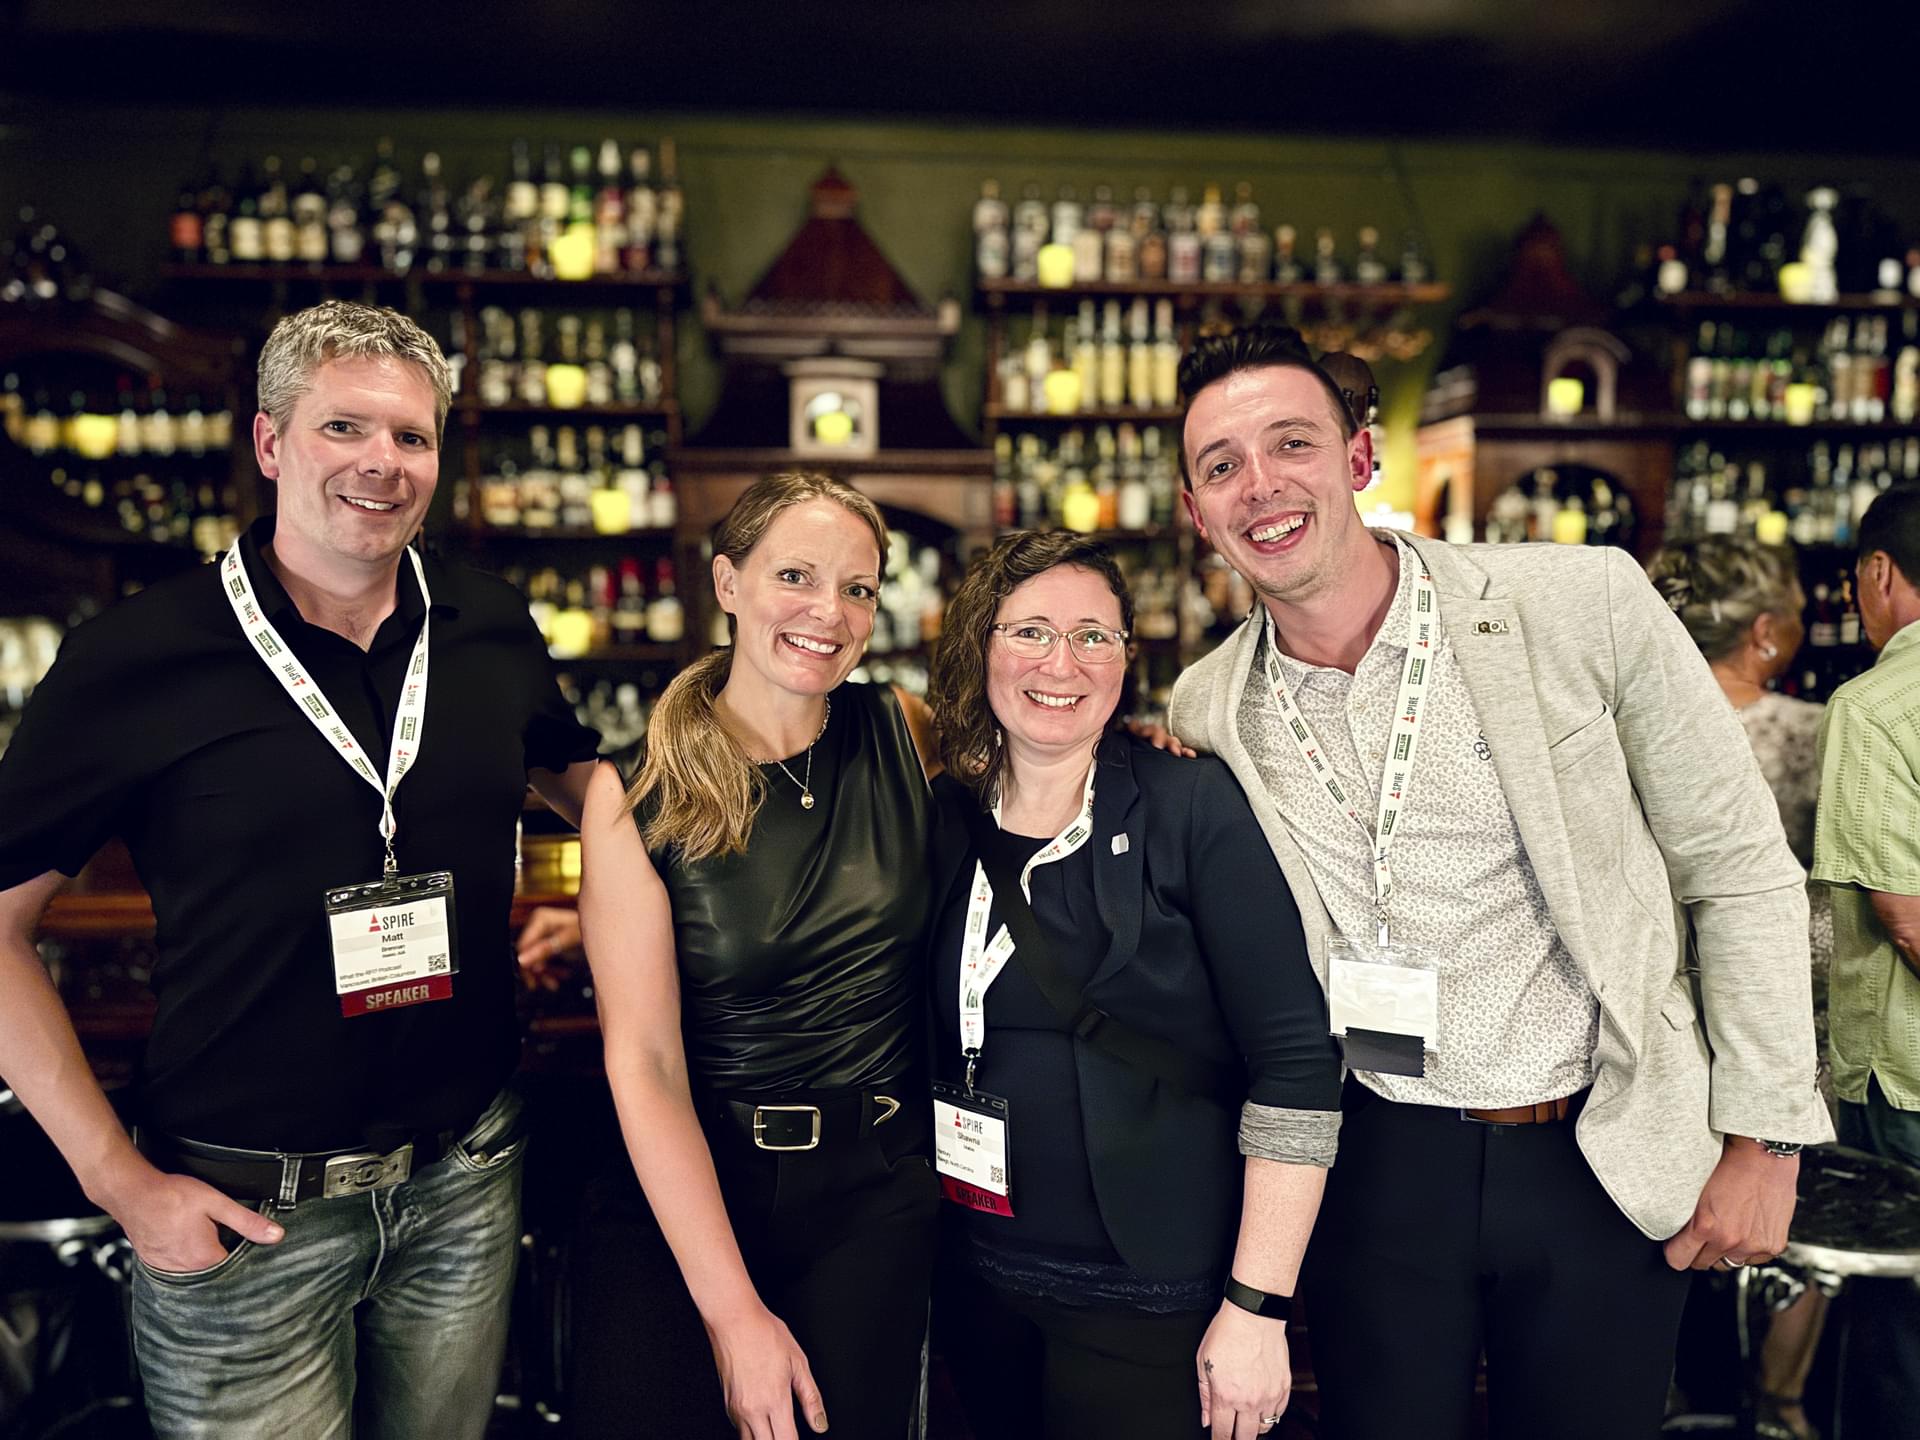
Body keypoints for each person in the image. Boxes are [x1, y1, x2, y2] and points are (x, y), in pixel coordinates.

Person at [1165, 321, 1832, 1440]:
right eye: (1222, 465)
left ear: (1359, 456)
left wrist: (1767, 1138)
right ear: (1198, 511)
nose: (1261, 484)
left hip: (1596, 1144)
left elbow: (1739, 863)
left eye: (1293, 443)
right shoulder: (1208, 706)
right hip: (1377, 1163)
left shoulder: (1581, 601)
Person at [0, 300, 602, 1439]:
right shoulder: (137, 655)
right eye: (345, 427)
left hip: (463, 1184)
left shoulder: (486, 622)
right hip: (243, 1217)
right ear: (271, 442)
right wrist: (120, 1181)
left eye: (413, 436)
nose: (383, 461)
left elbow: (604, 799)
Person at [920, 530, 1341, 1439]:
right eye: (1030, 631)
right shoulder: (942, 814)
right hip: (976, 1274)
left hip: (1149, 1292)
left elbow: (1298, 1064)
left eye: (1093, 636)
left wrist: (1257, 1306)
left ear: (1125, 657)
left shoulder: (1190, 806)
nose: (1061, 663)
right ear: (980, 647)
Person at [575, 472, 939, 1440]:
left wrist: (1145, 747)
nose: (830, 612)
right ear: (728, 583)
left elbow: (1043, 763)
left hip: (876, 1189)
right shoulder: (636, 791)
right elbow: (644, 1063)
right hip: (694, 1185)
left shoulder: (905, 731)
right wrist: (734, 1315)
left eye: (858, 589)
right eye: (796, 576)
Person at [1649, 536, 1832, 1440]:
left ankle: (1670, 1390)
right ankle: (1781, 1401)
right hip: (1786, 1011)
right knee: (1792, 1220)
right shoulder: (1810, 733)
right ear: (1764, 632)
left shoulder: (1628, 724)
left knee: (1660, 1206)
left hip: (1662, 1013)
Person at [1811, 482, 1920, 1438]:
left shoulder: (1877, 706)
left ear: (1879, 572)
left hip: (1907, 1079)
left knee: (1896, 1341)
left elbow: (1907, 917)